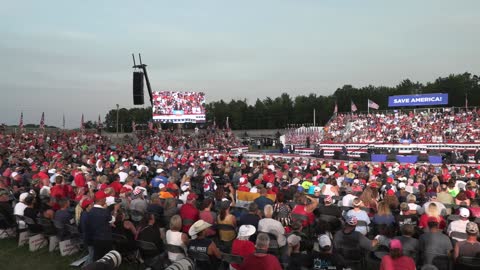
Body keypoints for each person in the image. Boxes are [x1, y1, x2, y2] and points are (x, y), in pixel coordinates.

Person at [86, 191, 115, 261]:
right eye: (105, 198)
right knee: (108, 258)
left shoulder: (90, 211)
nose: (106, 199)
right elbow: (112, 220)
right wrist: (115, 211)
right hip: (105, 238)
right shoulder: (105, 211)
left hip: (95, 238)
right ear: (101, 200)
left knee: (97, 257)